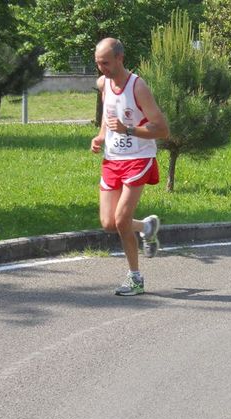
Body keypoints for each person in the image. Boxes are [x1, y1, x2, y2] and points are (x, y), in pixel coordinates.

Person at [91, 37, 169, 296]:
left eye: (106, 62)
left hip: (139, 158)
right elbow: (108, 113)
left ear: (120, 58)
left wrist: (129, 130)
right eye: (98, 63)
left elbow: (162, 130)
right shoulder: (103, 83)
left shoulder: (138, 87)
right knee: (108, 223)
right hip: (112, 159)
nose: (102, 68)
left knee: (121, 218)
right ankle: (146, 227)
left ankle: (135, 278)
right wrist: (102, 136)